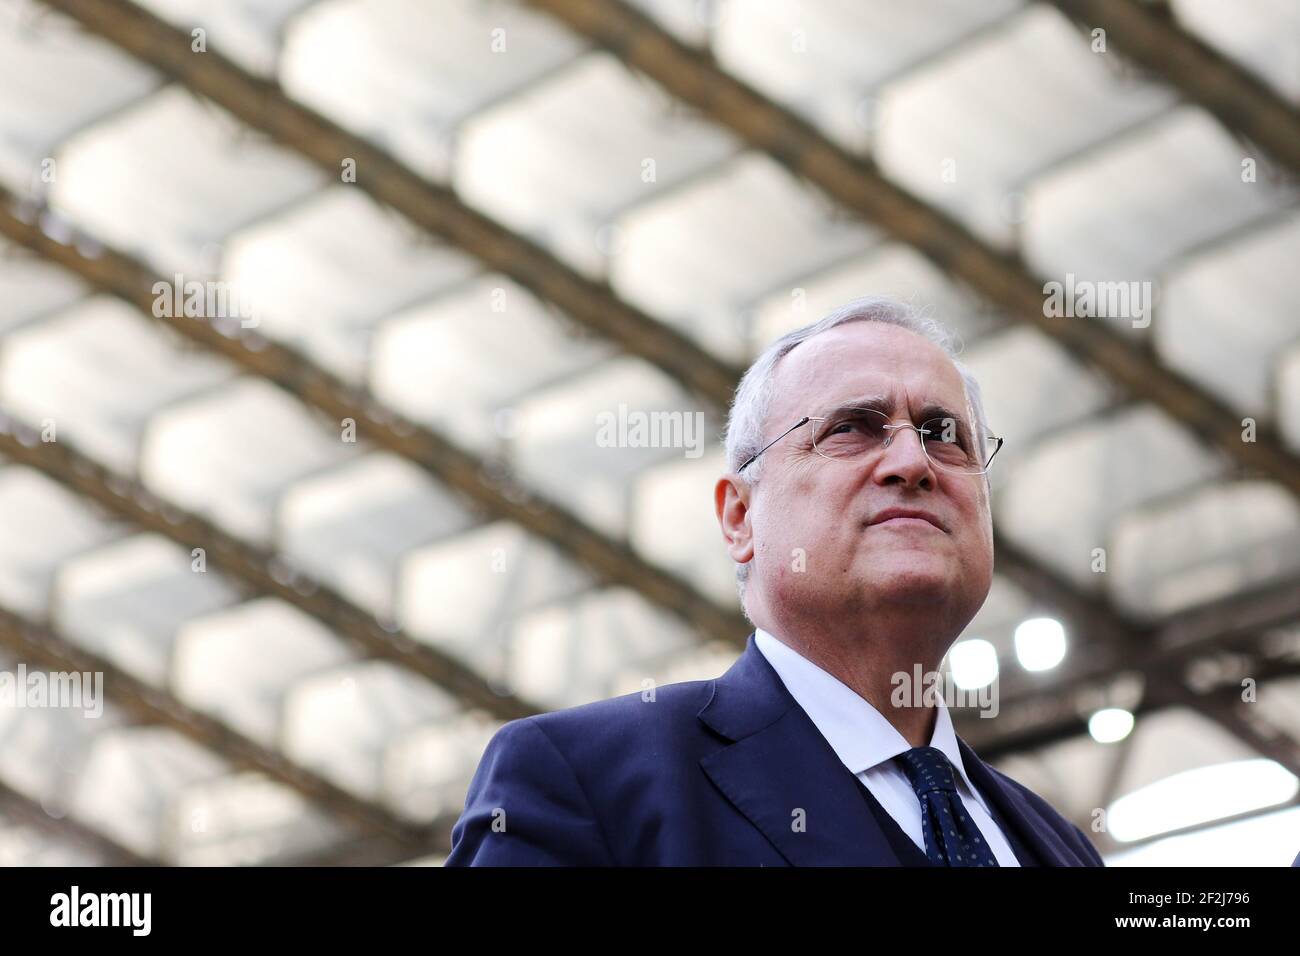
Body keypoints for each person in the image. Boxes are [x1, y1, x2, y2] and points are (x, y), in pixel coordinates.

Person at [445, 296, 1103, 866]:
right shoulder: (584, 784)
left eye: (943, 434)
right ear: (739, 517)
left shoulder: (1060, 847)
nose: (912, 460)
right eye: (852, 429)